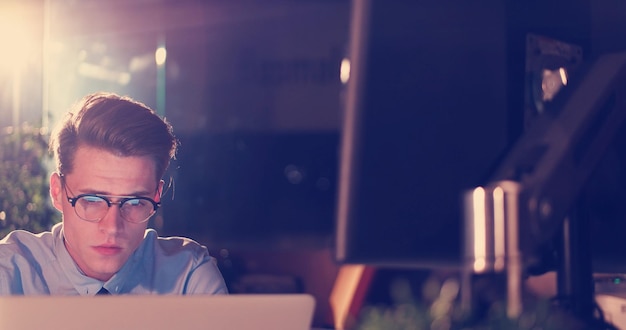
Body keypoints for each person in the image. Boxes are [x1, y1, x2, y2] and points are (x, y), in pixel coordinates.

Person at [0, 92, 228, 295]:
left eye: (135, 202)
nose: (112, 227)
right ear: (57, 191)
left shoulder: (188, 279)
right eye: (91, 200)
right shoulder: (10, 273)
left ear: (156, 196)